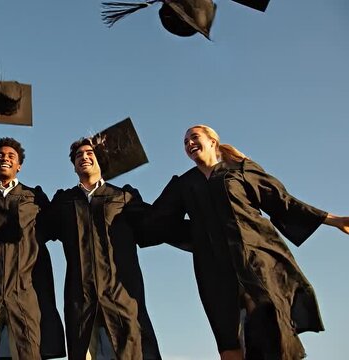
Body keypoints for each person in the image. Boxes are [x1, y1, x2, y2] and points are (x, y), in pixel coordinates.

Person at [148, 124, 349, 360]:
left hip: (257, 260)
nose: (189, 144)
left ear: (213, 141)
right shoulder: (184, 185)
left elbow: (282, 202)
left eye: (194, 137)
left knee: (269, 327)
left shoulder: (241, 171)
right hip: (214, 268)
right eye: (185, 142)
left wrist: (334, 220)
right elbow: (158, 220)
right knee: (228, 336)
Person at [48, 138, 162, 360]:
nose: (84, 157)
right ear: (73, 165)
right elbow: (31, 230)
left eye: (90, 153)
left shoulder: (123, 197)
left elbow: (156, 224)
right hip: (80, 300)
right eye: (78, 155)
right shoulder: (64, 201)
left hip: (121, 297)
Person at [0, 137, 65, 360]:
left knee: (26, 352)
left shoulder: (33, 197)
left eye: (11, 156)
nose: (5, 158)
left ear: (19, 165)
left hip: (23, 293)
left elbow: (56, 229)